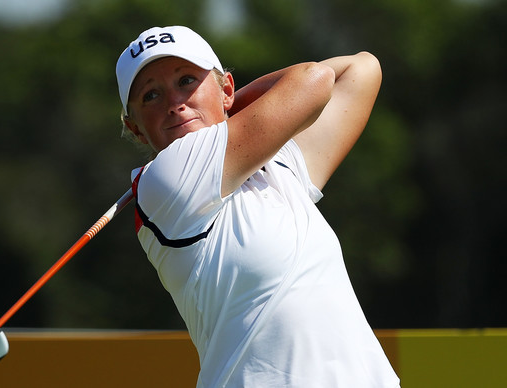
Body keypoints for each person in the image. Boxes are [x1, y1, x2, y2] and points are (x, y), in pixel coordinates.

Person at [115, 25, 400, 388]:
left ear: (227, 88)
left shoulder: (279, 167)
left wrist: (229, 106)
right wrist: (221, 103)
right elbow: (314, 79)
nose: (175, 103)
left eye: (187, 80)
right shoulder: (166, 180)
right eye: (151, 96)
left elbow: (360, 70)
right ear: (136, 129)